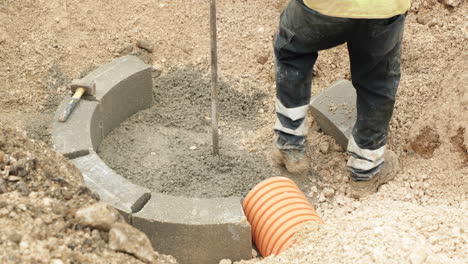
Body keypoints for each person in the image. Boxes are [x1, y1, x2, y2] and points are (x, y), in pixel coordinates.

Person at [272, 0, 409, 198]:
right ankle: (365, 170)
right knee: (377, 81)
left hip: (323, 6)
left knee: (293, 51)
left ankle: (289, 143)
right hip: (383, 8)